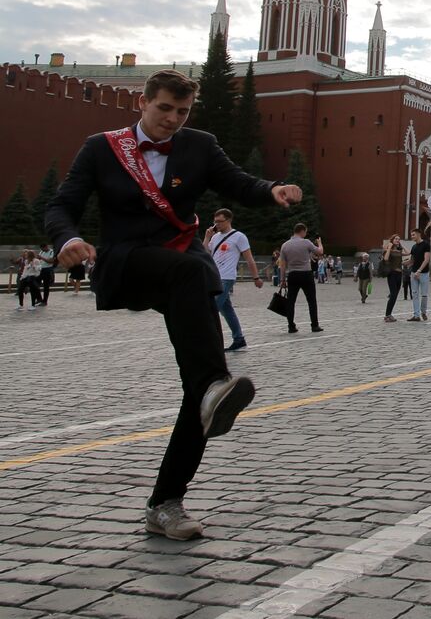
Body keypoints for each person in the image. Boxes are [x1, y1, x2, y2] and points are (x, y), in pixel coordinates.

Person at [46, 69, 300, 539]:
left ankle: (166, 503)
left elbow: (237, 182)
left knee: (201, 392)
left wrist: (271, 190)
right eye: (164, 109)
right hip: (128, 263)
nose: (172, 120)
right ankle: (212, 385)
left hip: (182, 268)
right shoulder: (102, 147)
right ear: (143, 103)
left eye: (182, 112)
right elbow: (63, 205)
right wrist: (70, 238)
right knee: (196, 272)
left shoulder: (199, 145)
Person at [204, 208, 263, 351]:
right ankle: (239, 339)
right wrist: (207, 237)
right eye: (215, 221)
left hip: (226, 277)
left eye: (220, 221)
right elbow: (204, 252)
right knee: (227, 309)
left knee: (212, 309)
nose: (217, 224)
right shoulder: (215, 236)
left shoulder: (239, 237)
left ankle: (210, 343)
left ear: (229, 220)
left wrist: (256, 277)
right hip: (215, 276)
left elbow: (249, 258)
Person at [279, 224, 324, 333]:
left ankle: (291, 326)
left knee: (291, 301)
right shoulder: (306, 242)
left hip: (293, 274)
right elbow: (320, 252)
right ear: (302, 231)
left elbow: (283, 265)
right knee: (311, 300)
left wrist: (282, 280)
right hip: (306, 274)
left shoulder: (285, 245)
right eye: (305, 232)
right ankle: (314, 325)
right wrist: (319, 243)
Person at [406, 228, 431, 321]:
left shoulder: (426, 244)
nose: (412, 236)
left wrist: (419, 270)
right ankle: (416, 315)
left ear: (418, 234)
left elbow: (426, 259)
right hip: (413, 273)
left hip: (423, 273)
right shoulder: (413, 247)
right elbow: (412, 260)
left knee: (424, 295)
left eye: (413, 234)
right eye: (411, 235)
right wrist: (403, 263)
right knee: (415, 294)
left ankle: (423, 312)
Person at [382, 235, 406, 321]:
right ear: (392, 240)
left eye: (399, 239)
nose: (398, 240)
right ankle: (387, 315)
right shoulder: (389, 250)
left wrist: (402, 247)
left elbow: (408, 253)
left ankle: (389, 314)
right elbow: (386, 258)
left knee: (395, 295)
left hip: (399, 274)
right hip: (392, 274)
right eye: (396, 239)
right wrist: (389, 247)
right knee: (393, 294)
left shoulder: (399, 251)